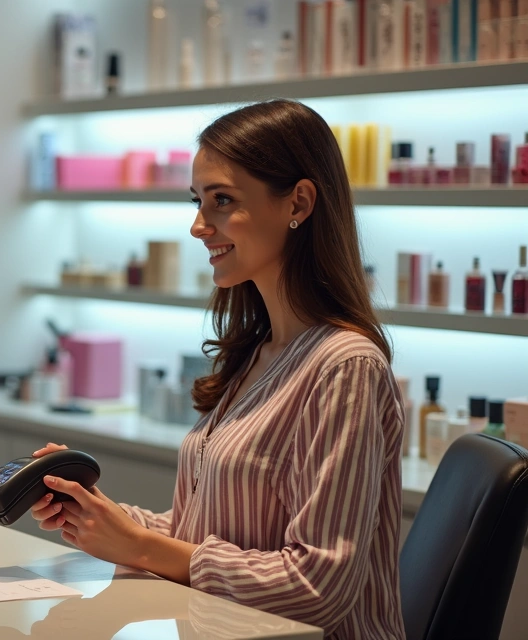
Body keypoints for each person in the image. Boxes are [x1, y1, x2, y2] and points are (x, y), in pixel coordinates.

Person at [30, 100, 404, 639]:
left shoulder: (346, 367)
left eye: (222, 200)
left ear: (298, 202)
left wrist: (140, 547)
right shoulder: (258, 353)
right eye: (198, 201)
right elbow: (205, 534)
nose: (198, 226)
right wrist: (100, 516)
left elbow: (317, 587)